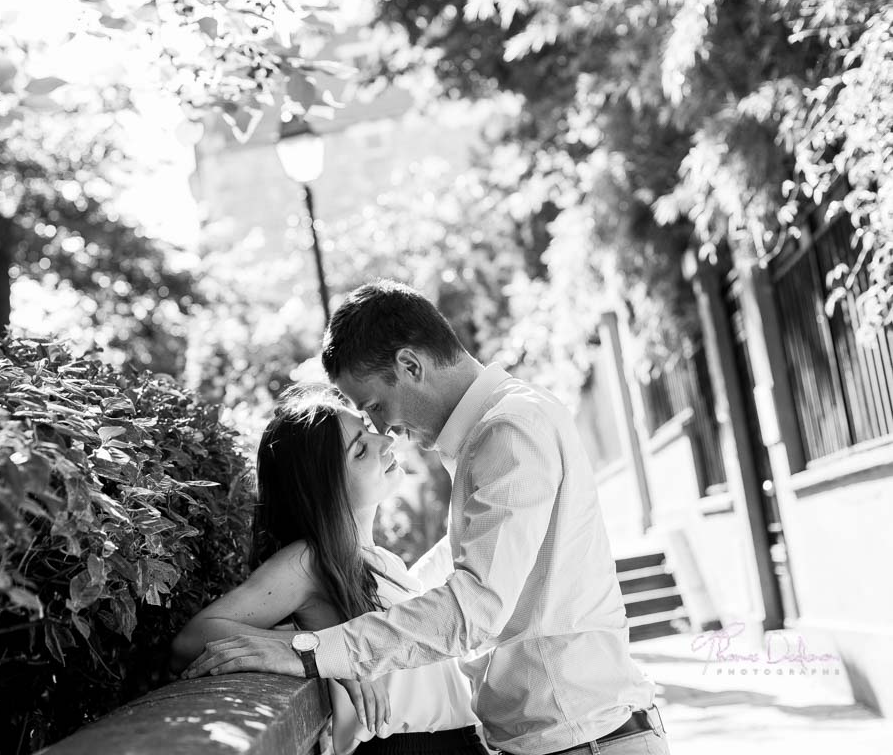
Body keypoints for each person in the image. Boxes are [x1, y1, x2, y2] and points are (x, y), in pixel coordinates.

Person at [184, 280, 670, 755]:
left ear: (410, 365)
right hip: (571, 736)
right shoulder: (498, 428)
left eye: (374, 405)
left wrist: (310, 652)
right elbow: (441, 580)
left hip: (584, 737)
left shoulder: (509, 429)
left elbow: (473, 607)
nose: (383, 429)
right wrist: (313, 646)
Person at [171, 384, 487, 755]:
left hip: (457, 741)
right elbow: (191, 640)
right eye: (360, 449)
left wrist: (324, 651)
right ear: (325, 486)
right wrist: (312, 652)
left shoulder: (378, 560)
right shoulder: (311, 559)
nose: (384, 442)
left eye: (369, 429)